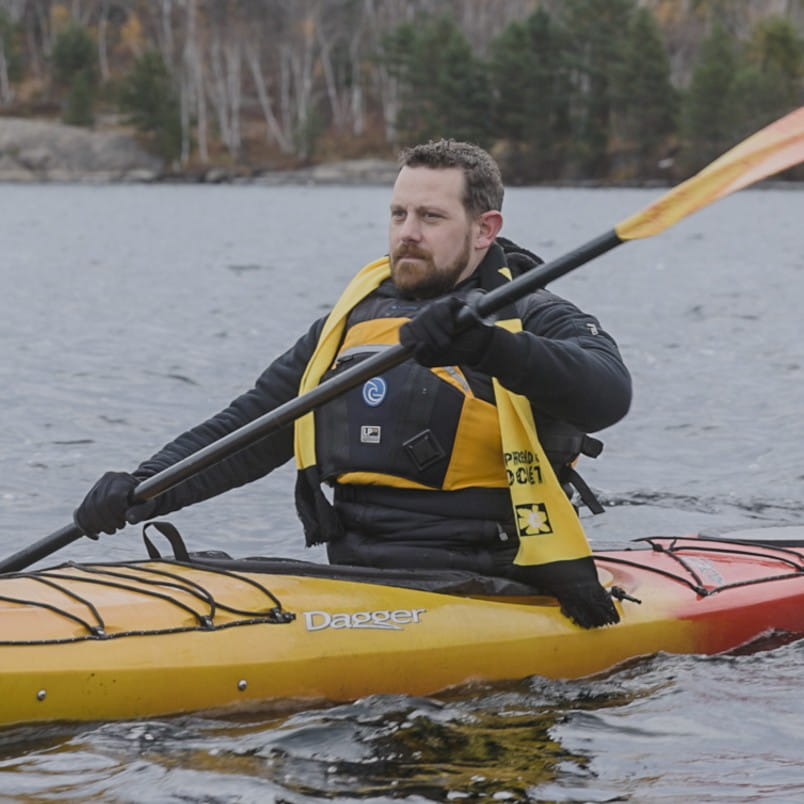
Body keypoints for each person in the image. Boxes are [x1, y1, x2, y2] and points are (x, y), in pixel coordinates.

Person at [75, 139, 632, 629]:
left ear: (485, 229)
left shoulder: (531, 314)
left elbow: (607, 393)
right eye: (398, 214)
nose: (407, 234)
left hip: (486, 582)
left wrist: (487, 346)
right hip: (357, 578)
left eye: (430, 218)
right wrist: (141, 490)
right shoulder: (349, 321)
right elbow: (253, 425)